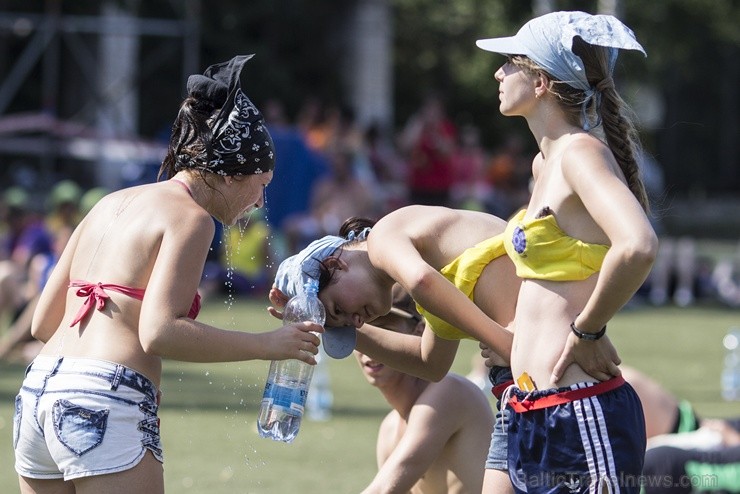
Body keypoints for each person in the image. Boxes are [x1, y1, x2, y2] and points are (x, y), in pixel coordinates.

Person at [11, 54, 323, 494]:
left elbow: (45, 322)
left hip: (39, 391)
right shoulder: (191, 218)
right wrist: (267, 345)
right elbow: (159, 333)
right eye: (262, 183)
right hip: (103, 399)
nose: (259, 200)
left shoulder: (107, 203)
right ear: (231, 174)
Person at [267, 204, 608, 492]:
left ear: (335, 265)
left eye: (340, 310)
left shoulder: (384, 239)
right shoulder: (439, 275)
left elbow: (421, 281)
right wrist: (329, 323)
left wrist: (507, 344)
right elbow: (430, 364)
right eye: (345, 324)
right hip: (528, 388)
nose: (355, 322)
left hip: (558, 384)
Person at [476, 10, 658, 492]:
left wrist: (589, 329)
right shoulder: (543, 165)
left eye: (508, 64)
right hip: (525, 404)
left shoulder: (580, 153)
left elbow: (638, 245)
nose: (498, 73)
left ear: (539, 80)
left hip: (578, 408)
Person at [356, 284, 495, 493]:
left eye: (386, 331)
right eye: (365, 333)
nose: (373, 347)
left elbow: (384, 489)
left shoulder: (449, 393)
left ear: (419, 332)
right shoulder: (389, 428)